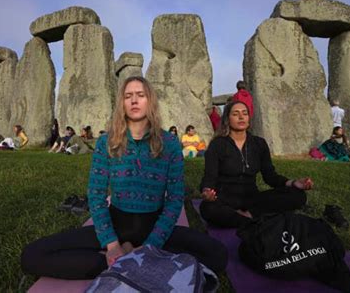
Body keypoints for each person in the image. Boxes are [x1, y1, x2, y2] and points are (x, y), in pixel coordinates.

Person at [21, 76, 228, 279]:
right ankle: (119, 262)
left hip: (155, 226)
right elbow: (96, 194)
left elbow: (174, 199)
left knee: (218, 255)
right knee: (32, 255)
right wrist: (111, 244)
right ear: (122, 102)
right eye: (128, 96)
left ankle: (130, 260)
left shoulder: (170, 143)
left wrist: (150, 246)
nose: (134, 100)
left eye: (140, 95)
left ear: (150, 101)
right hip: (116, 224)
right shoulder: (106, 142)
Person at [199, 101, 312, 228]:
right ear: (227, 119)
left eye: (245, 113)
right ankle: (254, 220)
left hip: (253, 199)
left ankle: (247, 216)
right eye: (236, 114)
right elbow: (210, 176)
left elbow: (270, 176)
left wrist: (294, 183)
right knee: (207, 208)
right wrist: (206, 191)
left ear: (249, 118)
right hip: (225, 200)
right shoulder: (217, 145)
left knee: (298, 195)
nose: (241, 117)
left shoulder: (259, 144)